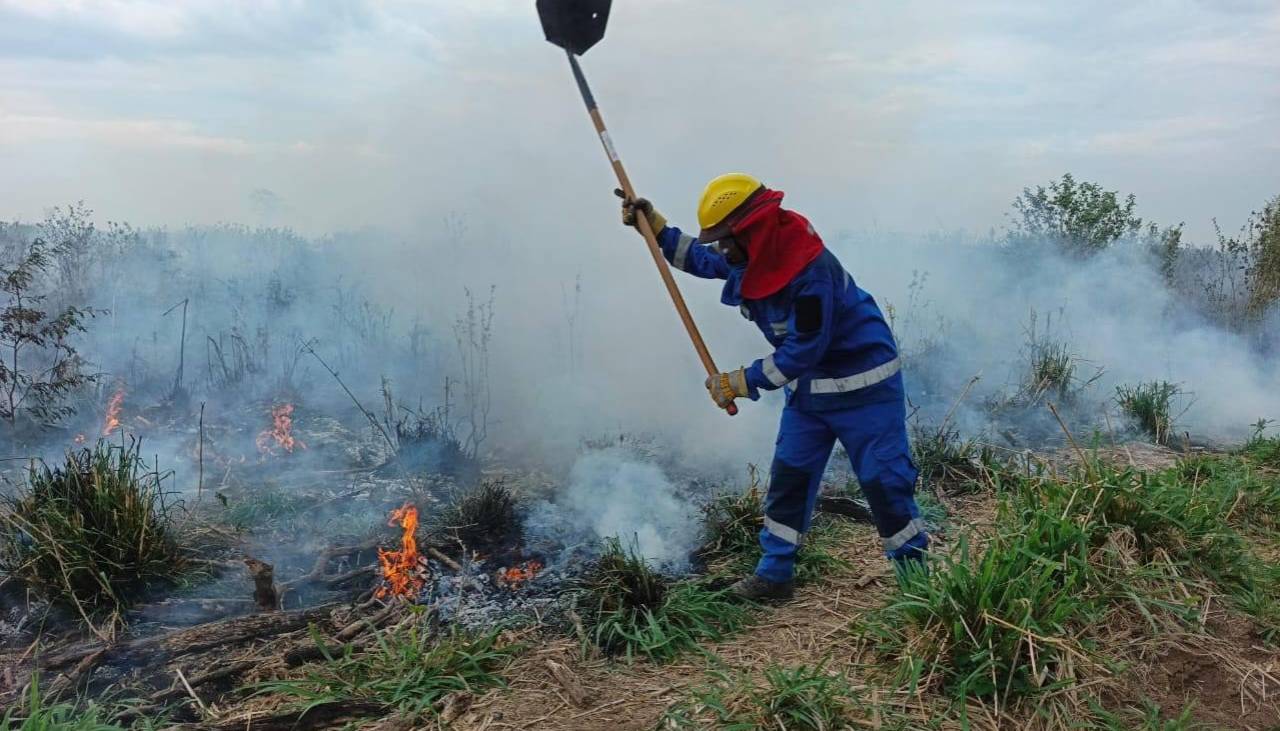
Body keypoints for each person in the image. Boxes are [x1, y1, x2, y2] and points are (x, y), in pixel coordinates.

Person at [619, 173, 927, 600]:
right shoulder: (756, 252)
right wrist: (656, 228)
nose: (722, 248)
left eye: (727, 238)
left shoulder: (811, 273)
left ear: (752, 232)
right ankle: (774, 574)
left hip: (865, 391)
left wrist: (741, 381)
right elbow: (704, 260)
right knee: (790, 478)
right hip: (809, 395)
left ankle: (919, 586)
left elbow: (803, 351)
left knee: (884, 482)